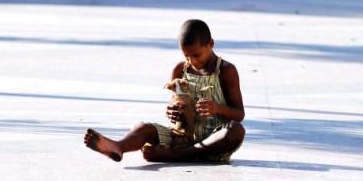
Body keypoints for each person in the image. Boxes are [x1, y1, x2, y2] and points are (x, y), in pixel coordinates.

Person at [84, 19, 245, 162]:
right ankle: (118, 146)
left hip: (213, 143)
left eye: (197, 55)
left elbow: (239, 114)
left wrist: (217, 108)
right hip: (181, 139)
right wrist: (172, 110)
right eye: (187, 56)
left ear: (211, 44)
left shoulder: (225, 71)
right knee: (143, 127)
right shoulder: (180, 69)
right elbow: (174, 102)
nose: (192, 61)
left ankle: (178, 156)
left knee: (236, 131)